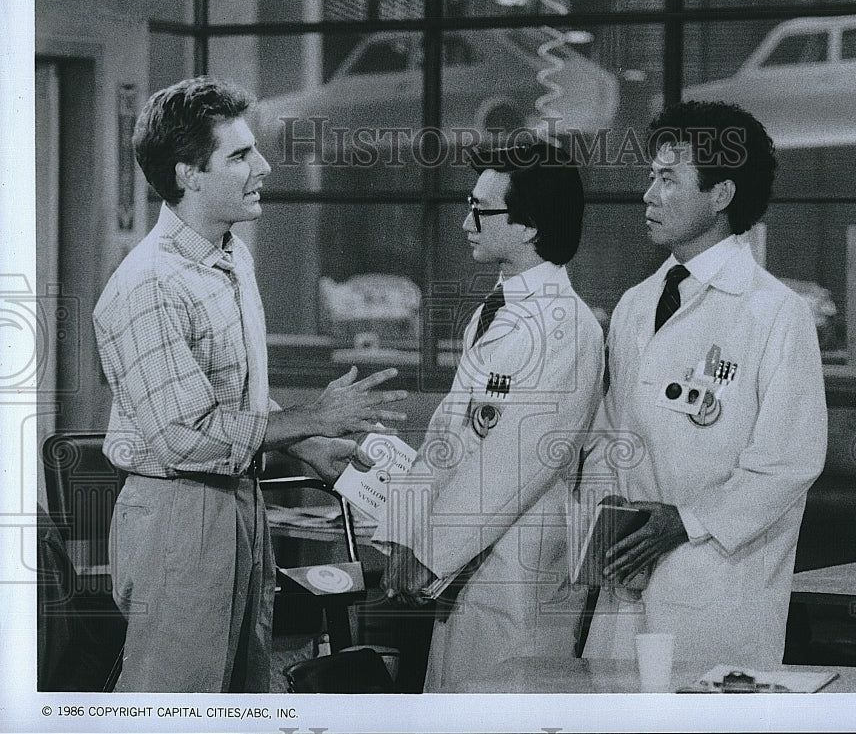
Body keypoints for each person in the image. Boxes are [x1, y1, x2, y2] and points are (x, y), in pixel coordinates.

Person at [92, 76, 407, 693]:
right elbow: (185, 436)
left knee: (242, 695)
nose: (262, 166)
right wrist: (313, 418)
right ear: (188, 173)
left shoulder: (230, 258)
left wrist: (307, 446)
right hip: (178, 512)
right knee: (175, 706)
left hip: (236, 500)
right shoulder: (150, 285)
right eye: (239, 155)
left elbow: (233, 396)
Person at [580, 101, 827, 668]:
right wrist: (606, 514)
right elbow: (609, 431)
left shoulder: (774, 313)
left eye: (668, 179)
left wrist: (684, 521)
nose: (648, 194)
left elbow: (790, 461)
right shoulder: (636, 305)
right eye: (650, 176)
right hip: (627, 577)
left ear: (721, 195)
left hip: (719, 587)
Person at [376, 141, 604, 691]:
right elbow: (446, 437)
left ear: (528, 227)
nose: (466, 222)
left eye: (482, 210)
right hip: (464, 563)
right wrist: (406, 537)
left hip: (518, 567)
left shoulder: (568, 328)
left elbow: (514, 460)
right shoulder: (491, 313)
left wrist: (430, 556)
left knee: (503, 699)